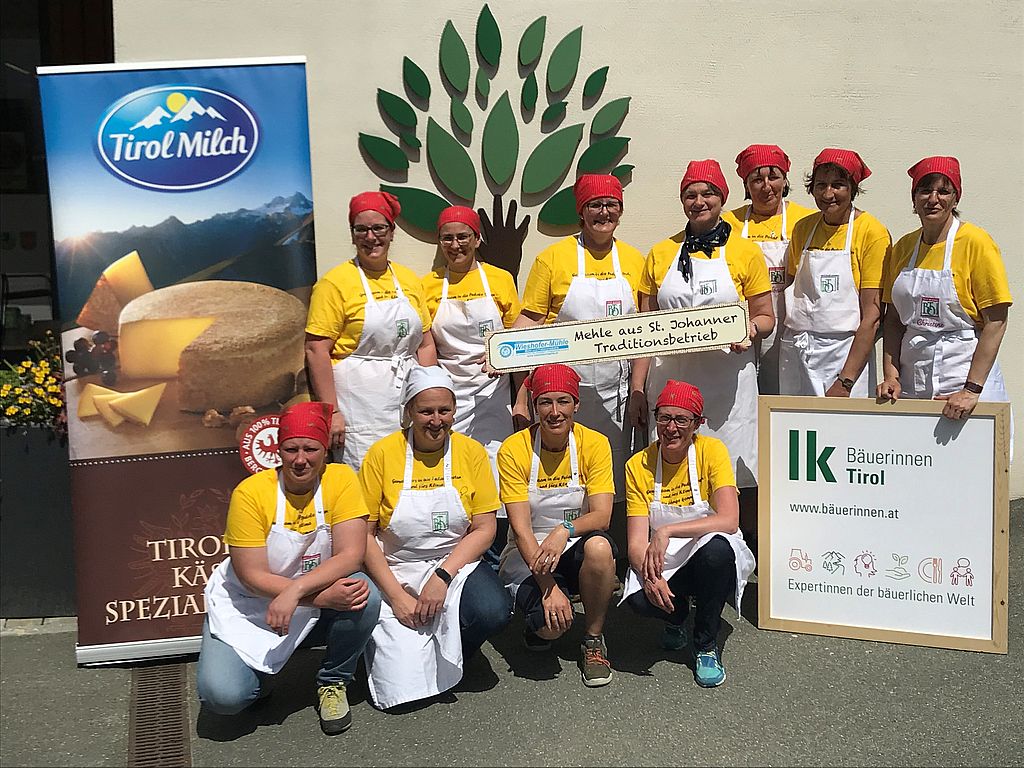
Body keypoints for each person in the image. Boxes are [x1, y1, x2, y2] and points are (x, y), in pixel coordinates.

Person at [198, 402, 380, 736]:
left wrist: (297, 592)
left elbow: (351, 556)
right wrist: (315, 598)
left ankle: (333, 681)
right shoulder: (251, 493)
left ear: (325, 450)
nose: (300, 459)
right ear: (278, 450)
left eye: (310, 449)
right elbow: (251, 577)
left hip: (301, 593)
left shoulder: (341, 480)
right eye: (290, 449)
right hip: (249, 603)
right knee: (223, 697)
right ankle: (258, 680)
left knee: (363, 594)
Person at [359, 365, 511, 710]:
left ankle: (457, 649)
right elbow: (365, 535)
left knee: (494, 610)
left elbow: (485, 527)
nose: (436, 420)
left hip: (453, 566)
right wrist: (396, 596)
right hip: (395, 568)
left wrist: (443, 576)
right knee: (401, 693)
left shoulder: (471, 453)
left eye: (445, 410)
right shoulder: (382, 454)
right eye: (426, 411)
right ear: (409, 411)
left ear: (455, 411)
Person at [629, 158, 774, 492]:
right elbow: (643, 330)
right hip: (670, 380)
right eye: (690, 195)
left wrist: (749, 329)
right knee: (671, 476)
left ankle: (734, 539)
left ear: (722, 198)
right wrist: (638, 388)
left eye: (707, 193)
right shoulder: (661, 252)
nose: (698, 202)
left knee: (731, 474)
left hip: (726, 387)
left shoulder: (745, 251)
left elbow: (766, 316)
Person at [512, 174, 645, 511]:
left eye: (611, 205)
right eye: (595, 205)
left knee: (610, 476)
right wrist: (507, 369)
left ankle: (606, 544)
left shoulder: (634, 260)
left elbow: (647, 333)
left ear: (621, 210)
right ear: (581, 212)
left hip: (616, 395)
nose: (604, 212)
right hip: (561, 394)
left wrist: (639, 391)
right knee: (562, 476)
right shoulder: (552, 258)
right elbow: (531, 322)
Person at [622, 380, 755, 688]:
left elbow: (729, 520)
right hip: (665, 558)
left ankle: (706, 644)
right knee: (640, 600)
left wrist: (668, 529)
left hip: (706, 549)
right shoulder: (637, 465)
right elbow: (635, 542)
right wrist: (651, 579)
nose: (671, 428)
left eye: (682, 419)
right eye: (665, 417)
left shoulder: (712, 451)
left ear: (697, 424)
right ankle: (676, 617)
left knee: (717, 552)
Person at [497, 363, 618, 688]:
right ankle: (540, 616)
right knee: (550, 628)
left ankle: (593, 640)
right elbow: (521, 530)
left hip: (573, 542)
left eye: (563, 401)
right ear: (534, 405)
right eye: (545, 402)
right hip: (528, 553)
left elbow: (602, 516)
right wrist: (548, 587)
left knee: (600, 547)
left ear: (576, 404)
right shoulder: (514, 449)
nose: (554, 411)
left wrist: (564, 529)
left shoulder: (595, 444)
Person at [877, 156, 1012, 445]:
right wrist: (891, 375)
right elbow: (893, 321)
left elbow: (997, 321)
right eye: (924, 190)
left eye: (944, 191)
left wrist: (971, 390)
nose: (933, 199)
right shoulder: (904, 247)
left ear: (955, 198)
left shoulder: (976, 242)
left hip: (963, 381)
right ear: (913, 198)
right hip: (914, 384)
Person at [305, 191, 437, 471]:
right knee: (364, 479)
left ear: (392, 232)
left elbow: (424, 345)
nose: (370, 237)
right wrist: (333, 411)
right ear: (352, 236)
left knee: (408, 477)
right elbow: (316, 349)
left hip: (406, 399)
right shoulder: (335, 283)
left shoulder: (408, 279)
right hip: (359, 407)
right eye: (361, 229)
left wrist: (429, 393)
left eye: (379, 228)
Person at [422, 205, 520, 566]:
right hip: (449, 398)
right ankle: (456, 556)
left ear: (477, 239)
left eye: (463, 236)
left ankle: (497, 559)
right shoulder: (428, 286)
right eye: (447, 237)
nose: (456, 244)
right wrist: (433, 392)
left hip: (495, 396)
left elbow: (517, 341)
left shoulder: (499, 279)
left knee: (495, 474)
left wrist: (520, 397)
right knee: (453, 471)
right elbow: (426, 344)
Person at [779, 148, 891, 397]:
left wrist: (846, 381)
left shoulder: (871, 232)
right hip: (797, 353)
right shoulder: (803, 229)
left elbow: (872, 317)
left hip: (845, 356)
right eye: (821, 185)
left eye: (838, 185)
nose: (828, 194)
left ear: (853, 188)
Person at [723, 144, 816, 394]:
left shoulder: (805, 221)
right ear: (746, 185)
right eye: (757, 179)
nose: (766, 187)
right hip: (744, 331)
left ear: (785, 180)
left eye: (773, 177)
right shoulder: (728, 224)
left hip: (791, 328)